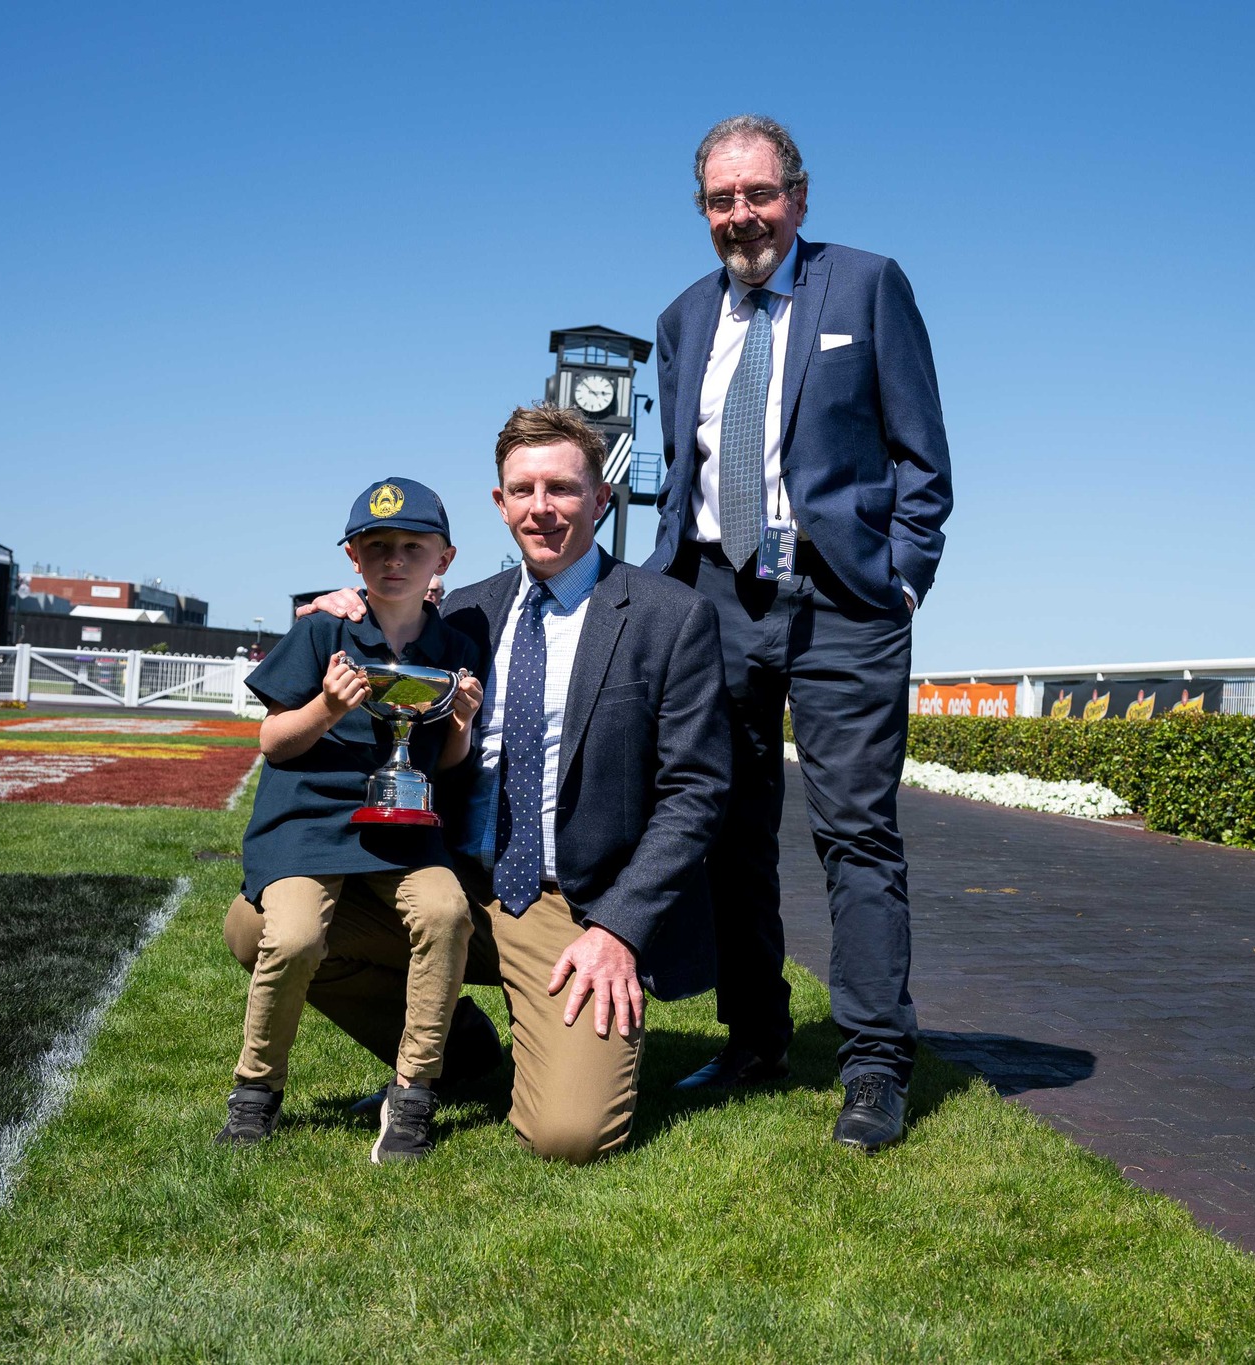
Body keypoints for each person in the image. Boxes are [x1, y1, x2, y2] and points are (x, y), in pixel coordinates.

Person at [296, 405, 732, 1163]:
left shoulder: (670, 616)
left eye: (562, 488)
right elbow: (381, 636)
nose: (542, 508)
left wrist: (619, 927)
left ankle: (540, 1031)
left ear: (601, 499)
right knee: (265, 925)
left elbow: (696, 793)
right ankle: (461, 1051)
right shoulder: (462, 612)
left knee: (569, 1136)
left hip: (570, 902)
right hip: (448, 882)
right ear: (499, 504)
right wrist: (350, 608)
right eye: (522, 490)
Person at [644, 115, 954, 1152]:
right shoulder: (682, 318)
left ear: (798, 196)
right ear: (703, 211)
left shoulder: (865, 286)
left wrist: (901, 581)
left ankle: (872, 1064)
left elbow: (922, 459)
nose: (742, 216)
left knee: (853, 833)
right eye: (721, 201)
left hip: (839, 603)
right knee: (725, 827)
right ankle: (755, 1036)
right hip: (713, 606)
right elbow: (679, 476)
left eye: (758, 194)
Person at [218, 477, 485, 1164]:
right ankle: (255, 1090)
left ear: (443, 560)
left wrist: (460, 723)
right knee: (298, 934)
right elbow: (274, 741)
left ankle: (414, 1092)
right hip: (308, 823)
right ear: (352, 556)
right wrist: (326, 709)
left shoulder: (453, 646)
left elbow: (449, 764)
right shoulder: (321, 631)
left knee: (447, 912)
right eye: (376, 546)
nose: (394, 559)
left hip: (405, 828)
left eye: (411, 546)